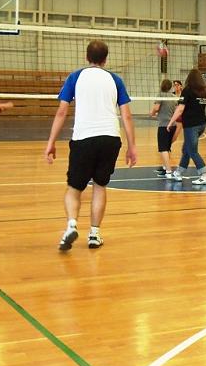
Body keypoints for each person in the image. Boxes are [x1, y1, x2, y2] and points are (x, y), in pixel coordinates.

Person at [45, 40, 137, 251]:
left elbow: (62, 111)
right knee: (100, 186)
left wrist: (51, 142)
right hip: (110, 139)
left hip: (84, 138)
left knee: (74, 188)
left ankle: (71, 225)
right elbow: (127, 116)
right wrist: (132, 146)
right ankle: (94, 234)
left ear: (87, 57)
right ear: (106, 59)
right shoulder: (115, 80)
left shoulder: (75, 77)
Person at [166, 69, 206, 185]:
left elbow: (180, 109)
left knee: (192, 151)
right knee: (186, 149)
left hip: (191, 125)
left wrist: (171, 122)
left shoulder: (188, 90)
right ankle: (178, 172)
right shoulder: (204, 91)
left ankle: (204, 175)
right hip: (201, 124)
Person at [149, 78, 177, 178]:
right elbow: (176, 111)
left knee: (163, 149)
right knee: (167, 148)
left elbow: (156, 108)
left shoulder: (161, 95)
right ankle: (165, 168)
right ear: (170, 87)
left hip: (164, 125)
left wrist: (152, 113)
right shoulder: (174, 97)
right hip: (173, 125)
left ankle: (168, 171)